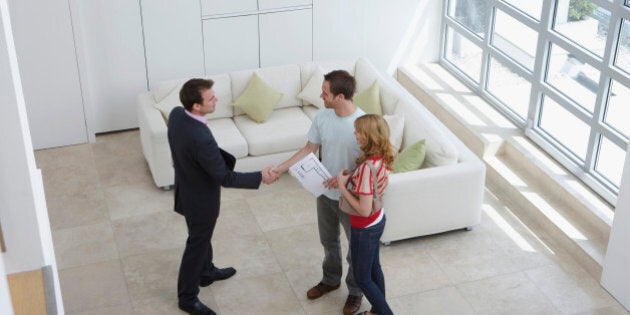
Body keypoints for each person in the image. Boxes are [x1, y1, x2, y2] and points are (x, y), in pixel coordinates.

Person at [168, 78, 278, 315]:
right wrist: (260, 177)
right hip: (200, 200)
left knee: (200, 236)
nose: (216, 99)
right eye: (211, 98)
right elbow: (225, 178)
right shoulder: (201, 138)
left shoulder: (177, 114)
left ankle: (206, 272)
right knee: (196, 244)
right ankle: (187, 297)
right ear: (197, 106)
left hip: (186, 189)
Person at [269, 70, 365, 315]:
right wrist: (279, 169)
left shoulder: (363, 124)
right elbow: (308, 149)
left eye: (325, 93)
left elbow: (374, 164)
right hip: (324, 193)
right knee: (328, 241)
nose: (321, 96)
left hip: (352, 198)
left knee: (356, 249)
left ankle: (355, 292)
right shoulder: (323, 117)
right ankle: (331, 279)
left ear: (340, 96)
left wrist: (346, 179)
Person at [336, 114, 395, 315]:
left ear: (369, 136)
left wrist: (342, 187)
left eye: (358, 131)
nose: (355, 134)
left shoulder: (365, 169)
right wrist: (352, 175)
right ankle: (377, 312)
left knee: (362, 278)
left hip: (365, 227)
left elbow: (362, 209)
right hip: (378, 219)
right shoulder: (382, 158)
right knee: (373, 267)